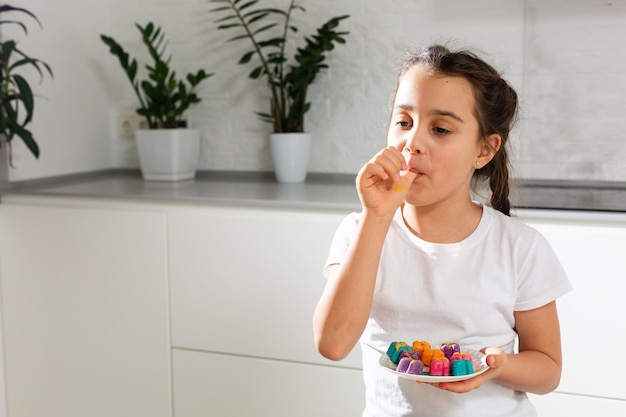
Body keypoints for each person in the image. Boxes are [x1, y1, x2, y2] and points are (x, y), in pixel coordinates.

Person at [312, 44, 572, 417]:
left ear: (484, 150)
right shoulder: (361, 230)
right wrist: (377, 217)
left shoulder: (518, 247)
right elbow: (333, 344)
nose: (412, 143)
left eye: (440, 129)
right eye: (404, 122)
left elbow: (548, 370)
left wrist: (497, 365)